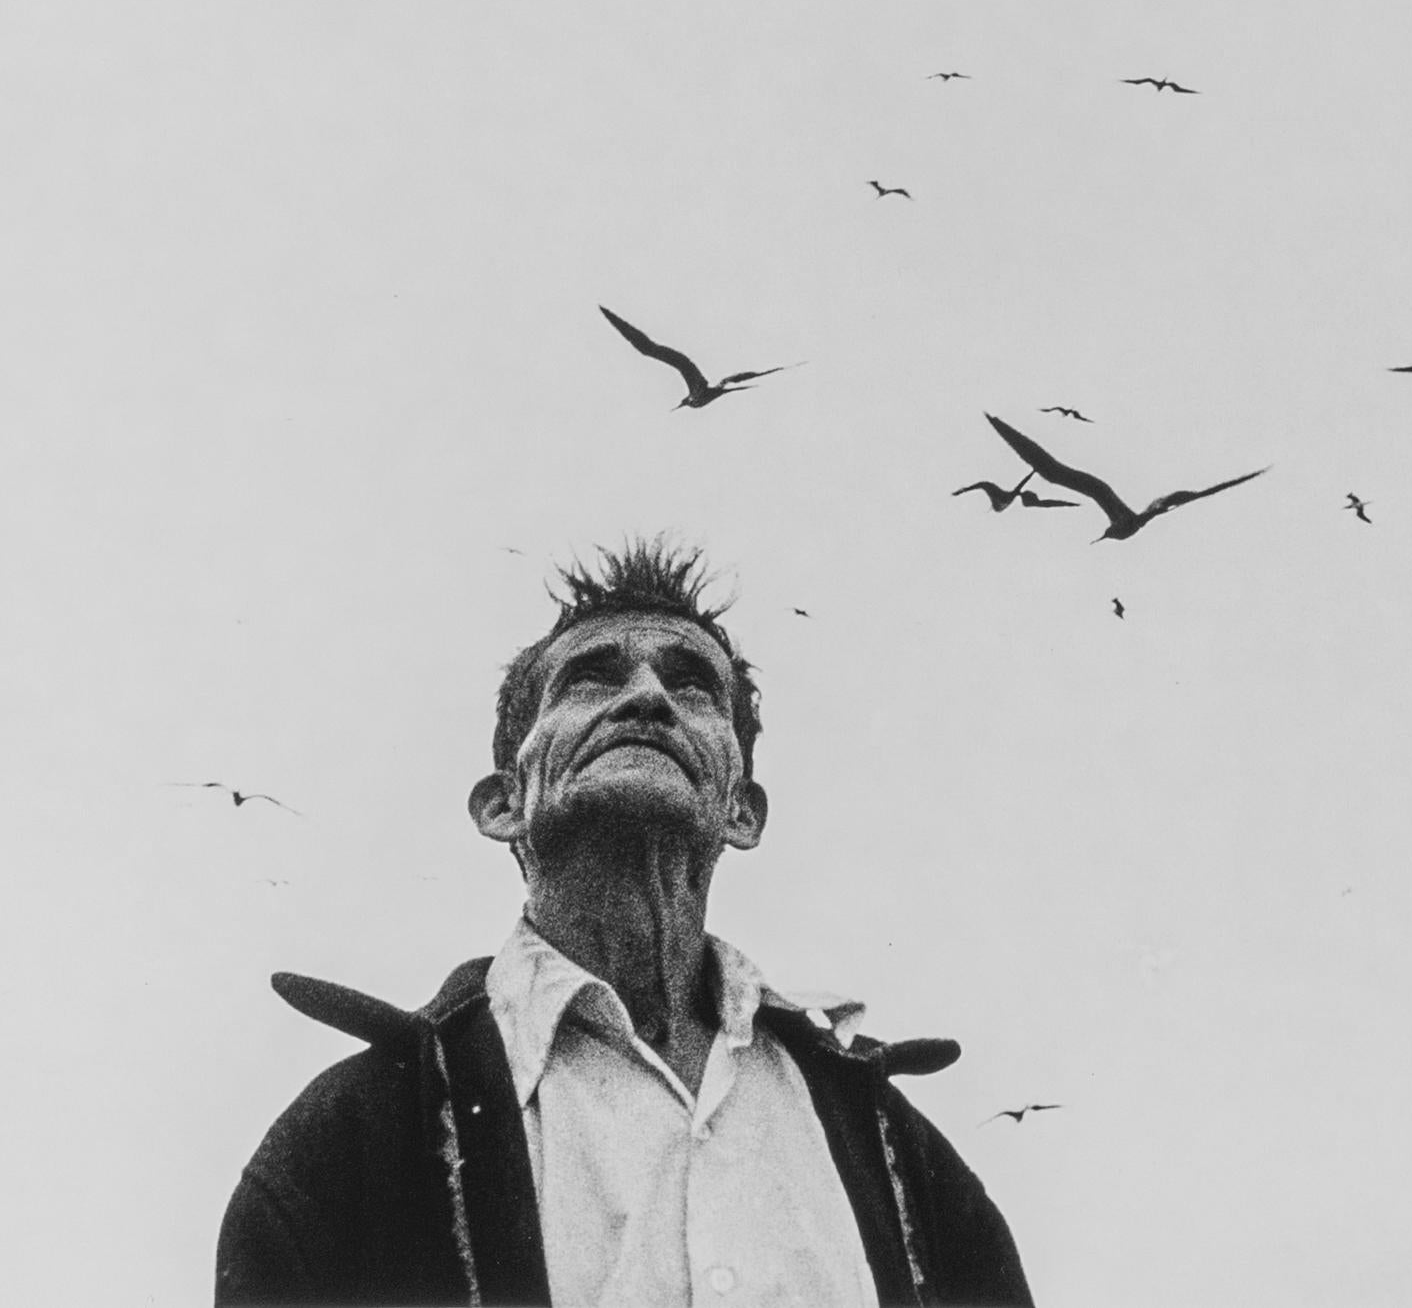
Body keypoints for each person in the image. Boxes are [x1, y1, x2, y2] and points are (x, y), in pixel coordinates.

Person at [217, 539, 1032, 1306]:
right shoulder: (359, 1141)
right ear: (504, 804)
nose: (647, 695)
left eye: (692, 685)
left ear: (741, 811)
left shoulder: (897, 1154)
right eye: (590, 679)